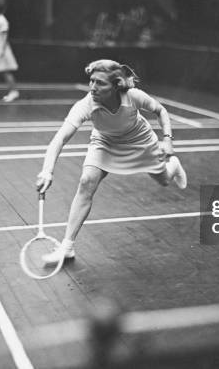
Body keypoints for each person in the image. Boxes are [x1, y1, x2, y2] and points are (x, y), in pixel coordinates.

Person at [35, 59, 187, 263]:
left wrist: (167, 141)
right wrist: (47, 170)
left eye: (100, 83)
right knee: (86, 182)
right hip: (104, 142)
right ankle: (68, 246)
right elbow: (59, 139)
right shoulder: (86, 104)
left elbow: (161, 111)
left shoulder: (132, 96)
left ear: (116, 85)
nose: (93, 87)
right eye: (91, 81)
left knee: (164, 180)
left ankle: (173, 166)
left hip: (139, 141)